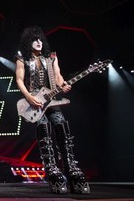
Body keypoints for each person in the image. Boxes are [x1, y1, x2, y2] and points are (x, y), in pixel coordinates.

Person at [15, 26, 90, 194]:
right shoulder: (22, 58)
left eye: (40, 39)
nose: (39, 42)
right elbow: (19, 80)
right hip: (35, 99)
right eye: (35, 39)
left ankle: (71, 168)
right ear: (29, 42)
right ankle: (52, 170)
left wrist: (64, 85)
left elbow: (58, 76)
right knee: (44, 128)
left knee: (61, 124)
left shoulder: (51, 57)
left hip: (52, 98)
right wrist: (29, 97)